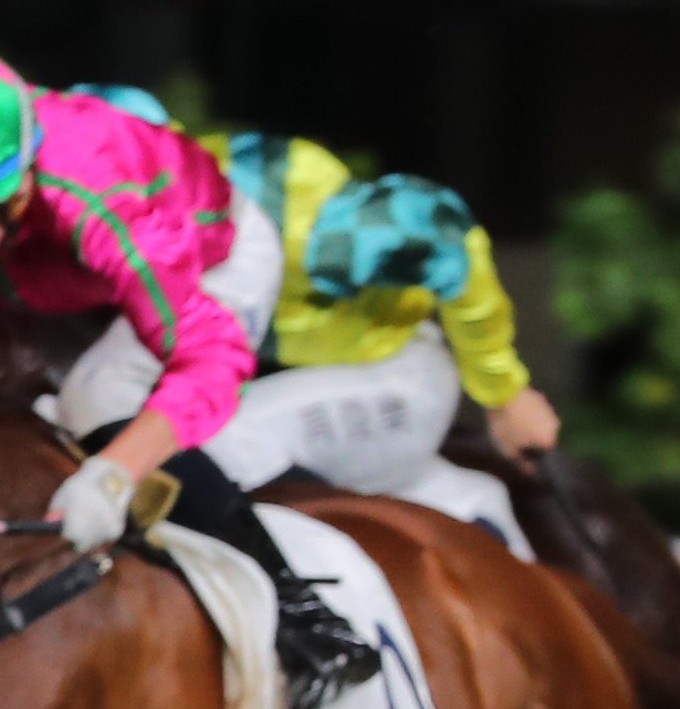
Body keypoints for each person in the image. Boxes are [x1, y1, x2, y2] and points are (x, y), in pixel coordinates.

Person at [0, 47, 380, 709]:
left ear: (16, 189)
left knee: (95, 399)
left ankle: (306, 617)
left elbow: (209, 360)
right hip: (56, 276)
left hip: (207, 262)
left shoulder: (100, 200)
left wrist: (114, 472)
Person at [201, 130, 561, 495]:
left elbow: (443, 235)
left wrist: (505, 394)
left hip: (395, 373)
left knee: (211, 442)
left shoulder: (279, 213)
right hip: (312, 377)